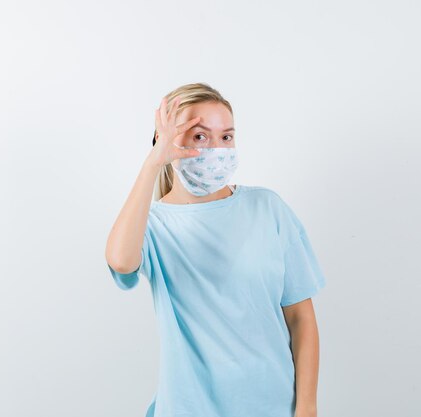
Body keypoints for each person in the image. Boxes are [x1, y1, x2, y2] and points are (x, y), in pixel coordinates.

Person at [105, 82, 327, 417]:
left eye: (226, 136)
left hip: (273, 406)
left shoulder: (268, 208)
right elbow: (121, 261)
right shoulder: (154, 227)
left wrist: (307, 407)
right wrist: (153, 164)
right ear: (165, 142)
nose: (216, 149)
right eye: (199, 136)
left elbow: (300, 318)